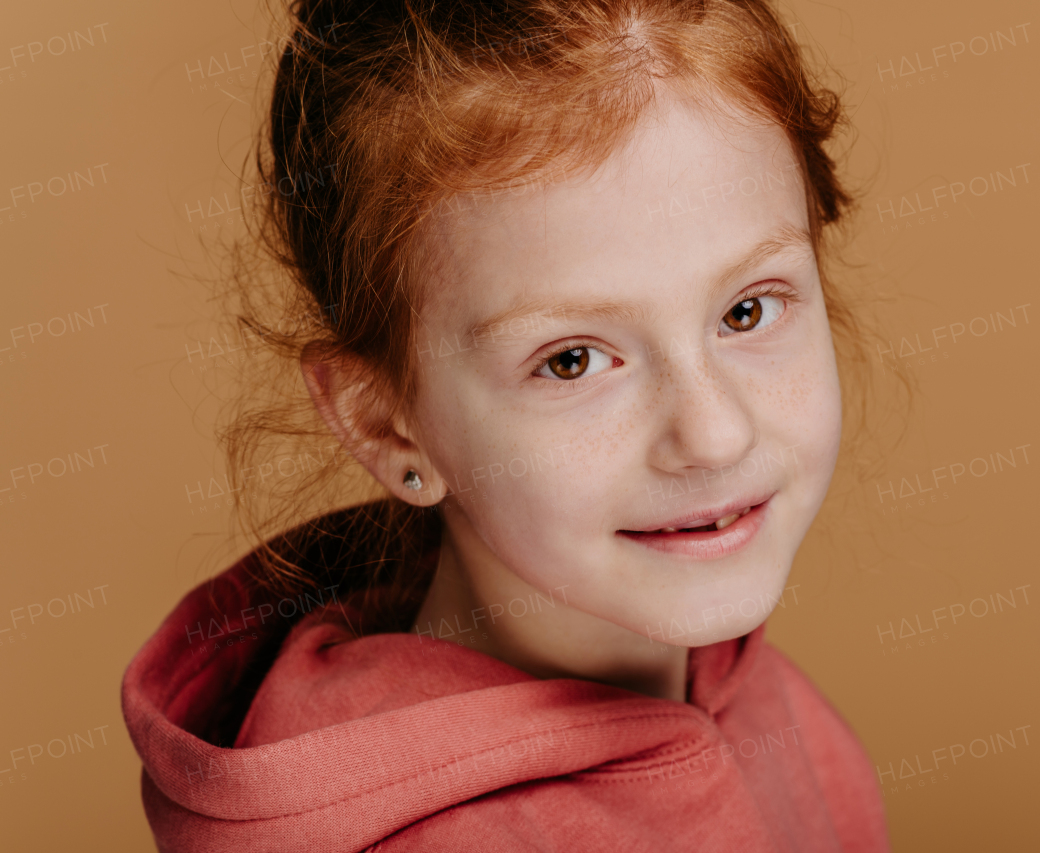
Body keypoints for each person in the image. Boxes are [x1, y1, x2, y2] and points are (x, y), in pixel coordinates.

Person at [123, 0, 889, 848]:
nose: (715, 435)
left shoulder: (782, 717)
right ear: (388, 426)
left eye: (747, 311)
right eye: (572, 360)